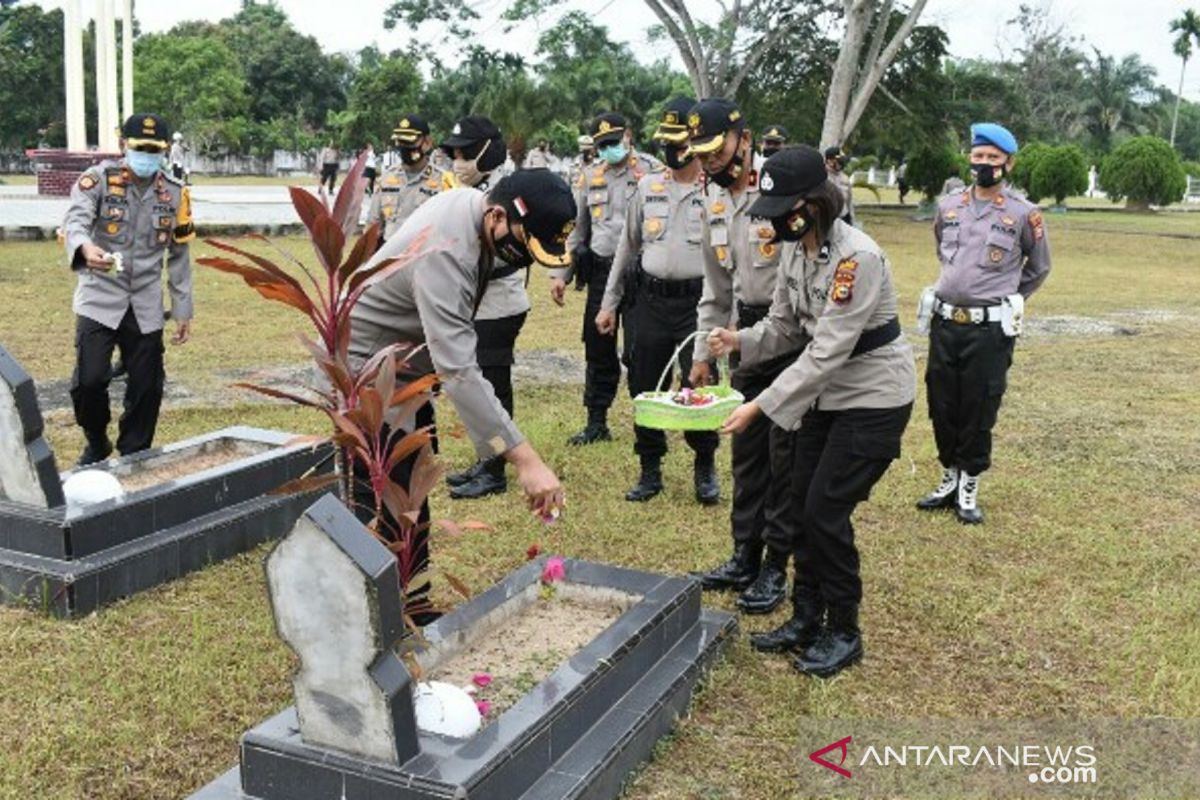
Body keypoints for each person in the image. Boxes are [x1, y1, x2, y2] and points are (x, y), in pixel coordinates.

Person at [707, 145, 915, 678]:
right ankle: (805, 618)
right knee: (800, 506)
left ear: (814, 203)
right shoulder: (797, 248)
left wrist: (759, 406)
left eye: (784, 214)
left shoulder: (858, 258)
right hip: (824, 397)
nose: (775, 226)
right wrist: (739, 340)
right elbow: (784, 326)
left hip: (872, 400)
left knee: (825, 512)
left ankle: (844, 629)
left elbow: (826, 351)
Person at [349, 170, 573, 611]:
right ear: (496, 216)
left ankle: (411, 603)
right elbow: (459, 371)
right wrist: (525, 460)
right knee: (382, 499)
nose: (522, 261)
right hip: (368, 375)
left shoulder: (475, 212)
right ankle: (373, 617)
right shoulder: (447, 251)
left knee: (412, 491)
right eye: (524, 247)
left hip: (408, 367)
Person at [686, 98, 801, 615]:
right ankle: (743, 555)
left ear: (744, 140)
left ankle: (777, 566)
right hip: (742, 336)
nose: (708, 161)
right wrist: (700, 352)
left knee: (785, 459)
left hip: (792, 334)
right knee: (747, 451)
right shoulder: (710, 204)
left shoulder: (777, 192)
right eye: (701, 152)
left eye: (716, 149)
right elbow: (716, 287)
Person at [916, 122, 1051, 524]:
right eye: (978, 157)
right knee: (942, 401)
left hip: (990, 328)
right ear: (969, 159)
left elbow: (1039, 268)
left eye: (993, 158)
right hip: (945, 323)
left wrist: (1007, 297)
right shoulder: (949, 206)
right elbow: (945, 254)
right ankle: (948, 475)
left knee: (978, 404)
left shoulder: (1023, 213)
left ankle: (970, 481)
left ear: (1008, 163)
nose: (984, 164)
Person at [593, 97, 719, 505]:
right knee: (645, 388)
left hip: (698, 304)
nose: (669, 148)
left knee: (698, 386)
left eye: (677, 140)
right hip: (648, 302)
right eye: (665, 140)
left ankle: (705, 467)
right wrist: (609, 304)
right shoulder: (648, 187)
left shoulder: (716, 191)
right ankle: (650, 469)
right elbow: (626, 250)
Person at [61, 113, 195, 465]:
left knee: (148, 387)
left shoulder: (175, 193)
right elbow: (75, 220)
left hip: (145, 302)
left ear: (165, 151)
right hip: (100, 296)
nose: (147, 156)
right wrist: (85, 249)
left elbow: (179, 254)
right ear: (124, 146)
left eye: (155, 150)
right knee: (88, 382)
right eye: (140, 149)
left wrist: (182, 309)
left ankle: (134, 456)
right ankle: (96, 440)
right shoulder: (98, 181)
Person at [551, 112, 661, 445]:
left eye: (613, 142)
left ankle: (648, 424)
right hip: (600, 271)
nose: (609, 149)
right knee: (598, 348)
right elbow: (577, 230)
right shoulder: (589, 176)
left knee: (640, 350)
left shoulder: (652, 171)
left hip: (640, 274)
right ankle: (596, 421)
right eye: (603, 145)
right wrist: (561, 274)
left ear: (627, 136)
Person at [438, 115, 529, 500]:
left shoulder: (511, 192)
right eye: (455, 153)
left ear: (488, 151)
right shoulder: (464, 189)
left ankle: (495, 471)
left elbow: (520, 251)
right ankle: (486, 459)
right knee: (475, 385)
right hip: (474, 305)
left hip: (499, 305)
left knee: (492, 387)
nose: (459, 161)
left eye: (465, 153)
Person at [367, 115, 447, 242]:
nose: (404, 147)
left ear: (427, 143)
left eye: (409, 142)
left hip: (422, 256)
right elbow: (373, 224)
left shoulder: (443, 182)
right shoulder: (387, 178)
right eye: (400, 142)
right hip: (389, 255)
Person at [824, 146, 855, 226]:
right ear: (829, 161)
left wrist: (851, 219)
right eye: (838, 160)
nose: (841, 163)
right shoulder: (822, 177)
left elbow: (849, 202)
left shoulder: (844, 178)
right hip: (828, 219)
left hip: (843, 217)